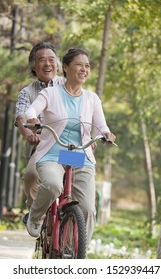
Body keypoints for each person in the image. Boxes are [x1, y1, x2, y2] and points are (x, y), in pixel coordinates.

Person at [25, 48, 116, 245]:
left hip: (78, 156)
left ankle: (75, 252)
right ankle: (35, 215)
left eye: (87, 66)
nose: (84, 69)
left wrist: (106, 134)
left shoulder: (92, 98)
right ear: (65, 68)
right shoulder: (50, 93)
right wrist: (32, 118)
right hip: (53, 153)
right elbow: (32, 109)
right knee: (52, 185)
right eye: (79, 65)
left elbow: (101, 126)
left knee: (87, 209)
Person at [15, 42, 65, 217]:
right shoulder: (27, 93)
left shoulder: (68, 86)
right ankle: (36, 212)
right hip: (43, 148)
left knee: (82, 174)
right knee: (31, 176)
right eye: (41, 60)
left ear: (58, 65)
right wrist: (29, 134)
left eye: (52, 59)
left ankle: (76, 225)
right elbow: (21, 118)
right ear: (33, 67)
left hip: (67, 148)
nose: (47, 64)